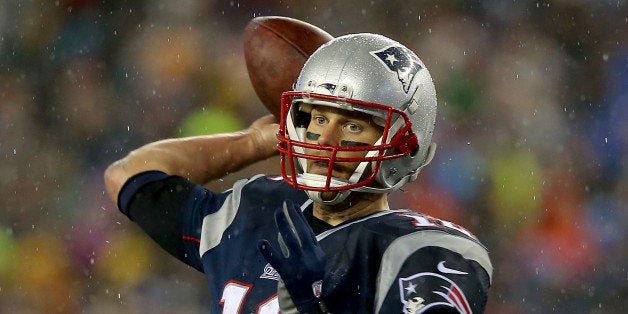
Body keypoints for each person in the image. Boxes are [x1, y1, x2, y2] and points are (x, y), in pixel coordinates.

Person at [104, 32, 492, 313]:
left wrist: (313, 309)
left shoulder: (429, 251)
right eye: (318, 117)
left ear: (404, 145)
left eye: (354, 125)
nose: (324, 139)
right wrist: (255, 141)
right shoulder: (253, 210)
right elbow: (130, 175)